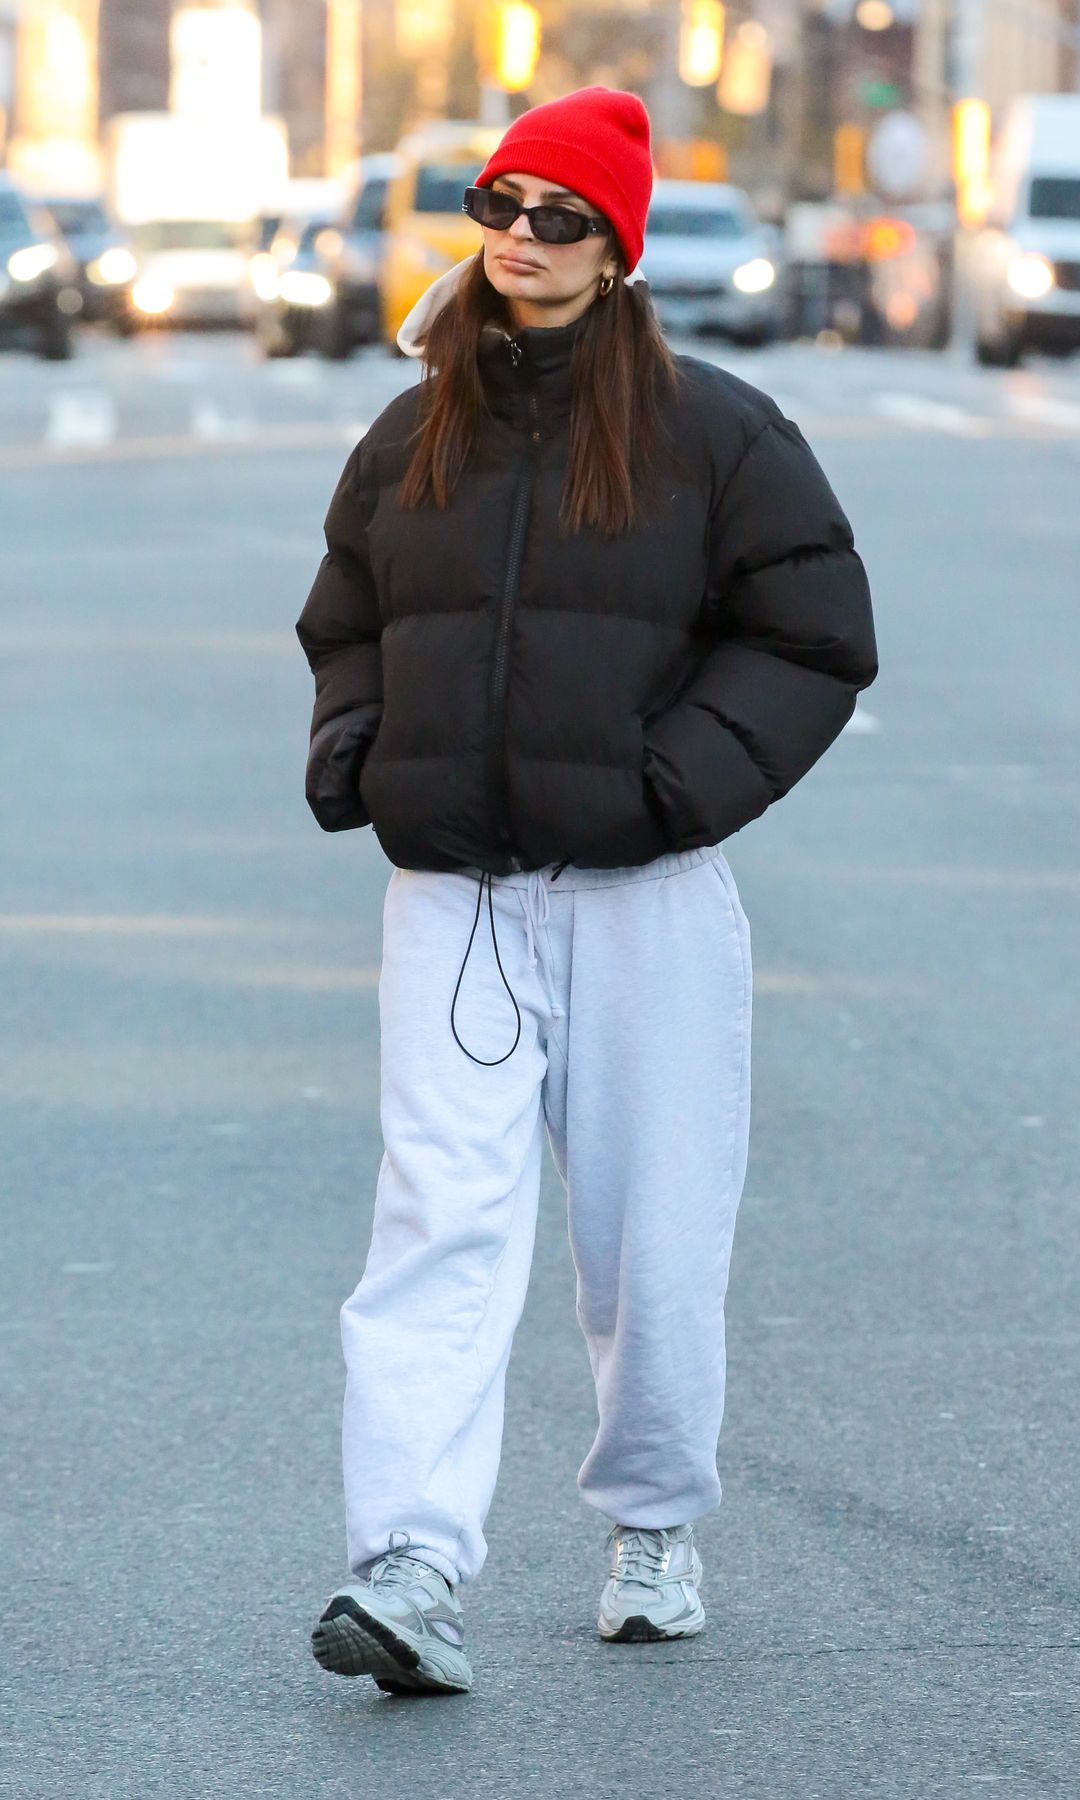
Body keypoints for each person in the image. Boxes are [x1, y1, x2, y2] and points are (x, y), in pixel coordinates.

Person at [296, 86, 877, 1697]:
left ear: (617, 247)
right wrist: (360, 750)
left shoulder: (715, 429)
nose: (525, 240)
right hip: (458, 902)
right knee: (435, 1230)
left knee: (652, 1241)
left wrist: (673, 789)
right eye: (503, 204)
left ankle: (651, 1521)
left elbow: (817, 635)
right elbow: (344, 613)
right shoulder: (416, 429)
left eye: (564, 217)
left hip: (648, 900)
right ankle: (410, 1566)